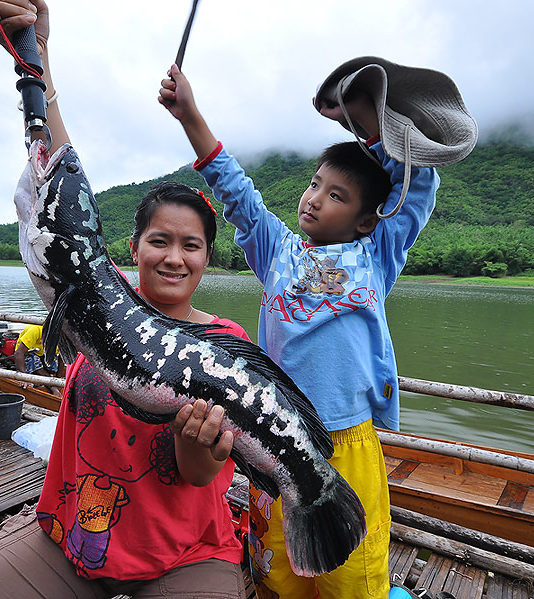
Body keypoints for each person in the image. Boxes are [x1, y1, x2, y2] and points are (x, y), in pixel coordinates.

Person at [0, 2, 249, 597]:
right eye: (159, 241)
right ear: (132, 247)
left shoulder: (226, 347)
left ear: (206, 258)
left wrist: (198, 441)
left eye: (191, 246)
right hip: (71, 537)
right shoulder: (99, 296)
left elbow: (200, 474)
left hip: (186, 553)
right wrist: (34, 56)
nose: (174, 257)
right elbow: (63, 180)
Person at [159, 62, 440, 598]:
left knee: (350, 576)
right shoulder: (277, 250)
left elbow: (418, 184)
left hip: (347, 441)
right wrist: (189, 114)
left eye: (337, 194)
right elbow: (234, 188)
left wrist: (368, 127)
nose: (314, 197)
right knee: (276, 572)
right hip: (273, 434)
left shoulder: (376, 254)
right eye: (315, 184)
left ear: (366, 219)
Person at [13, 324, 63, 392]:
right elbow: (19, 353)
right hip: (28, 351)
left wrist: (58, 380)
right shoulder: (35, 330)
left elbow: (62, 358)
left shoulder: (60, 338)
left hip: (43, 352)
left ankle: (40, 377)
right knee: (36, 366)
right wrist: (23, 377)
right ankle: (52, 388)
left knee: (53, 368)